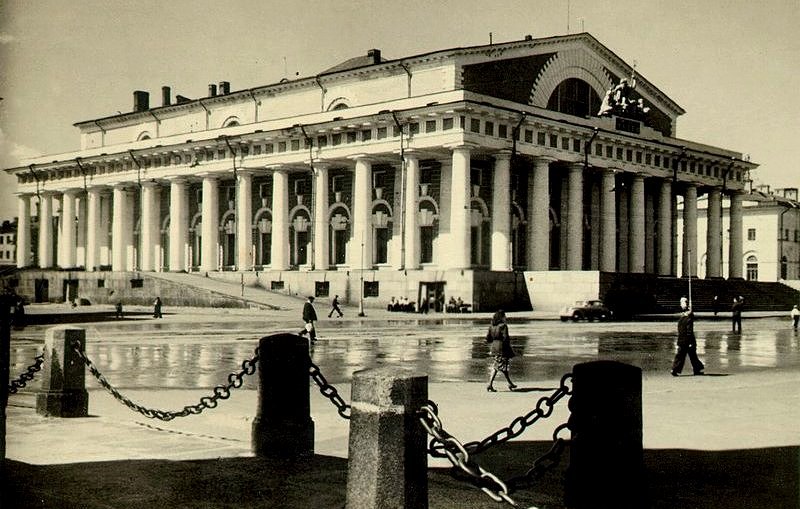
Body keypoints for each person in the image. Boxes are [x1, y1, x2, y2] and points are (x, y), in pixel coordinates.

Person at [486, 309, 518, 392]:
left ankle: (509, 383)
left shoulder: (491, 326)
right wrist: (508, 348)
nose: (505, 317)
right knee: (500, 366)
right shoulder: (503, 326)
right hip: (502, 348)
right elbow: (506, 338)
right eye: (504, 316)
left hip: (494, 347)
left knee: (499, 366)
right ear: (502, 317)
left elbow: (488, 338)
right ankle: (490, 384)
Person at [671, 300, 704, 376]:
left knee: (680, 356)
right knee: (693, 356)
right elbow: (689, 332)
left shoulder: (681, 319)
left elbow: (680, 330)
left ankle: (674, 369)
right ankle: (697, 369)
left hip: (681, 340)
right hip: (688, 341)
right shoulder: (689, 320)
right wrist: (690, 342)